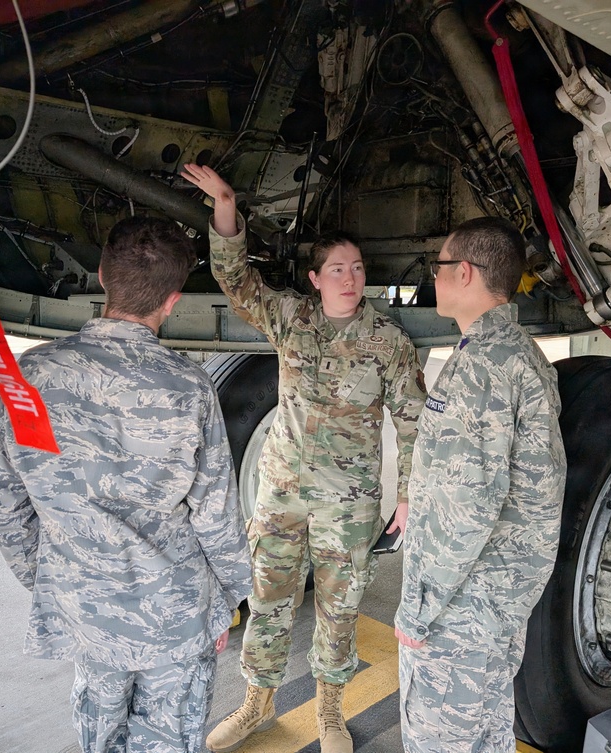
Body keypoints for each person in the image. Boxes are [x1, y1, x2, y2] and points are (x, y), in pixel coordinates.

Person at [181, 163, 426, 753]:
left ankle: (331, 714)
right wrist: (225, 207)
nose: (349, 278)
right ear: (315, 279)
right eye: (337, 269)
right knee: (267, 602)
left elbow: (414, 420)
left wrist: (410, 493)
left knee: (340, 612)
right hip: (283, 495)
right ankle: (256, 706)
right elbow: (234, 278)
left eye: (357, 268)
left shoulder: (388, 341)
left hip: (348, 507)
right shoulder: (291, 319)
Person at [0, 216, 252, 753]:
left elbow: (9, 506)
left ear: (103, 275)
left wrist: (63, 581)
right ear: (174, 299)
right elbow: (215, 513)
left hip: (85, 608)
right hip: (174, 612)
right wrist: (226, 599)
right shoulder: (188, 386)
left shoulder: (32, 375)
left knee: (100, 736)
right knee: (169, 739)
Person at [393, 216, 567, 753]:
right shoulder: (521, 354)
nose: (435, 278)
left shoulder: (481, 368)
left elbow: (463, 505)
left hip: (461, 607)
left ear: (463, 272)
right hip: (498, 599)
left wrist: (418, 607)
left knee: (442, 738)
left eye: (439, 267)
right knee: (487, 733)